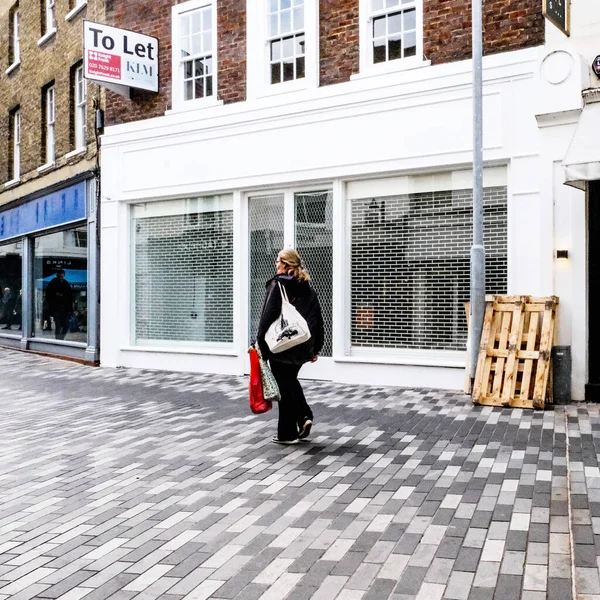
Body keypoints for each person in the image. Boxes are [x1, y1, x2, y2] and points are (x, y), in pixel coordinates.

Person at [256, 249, 324, 445]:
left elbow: (267, 316)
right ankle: (302, 419)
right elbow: (316, 321)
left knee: (285, 387)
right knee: (289, 382)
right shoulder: (308, 289)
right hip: (302, 346)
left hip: (280, 345)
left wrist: (259, 343)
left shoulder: (278, 285)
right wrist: (316, 348)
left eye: (278, 261)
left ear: (286, 264)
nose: (276, 264)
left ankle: (289, 432)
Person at [46, 270, 73, 340]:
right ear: (57, 275)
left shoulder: (66, 283)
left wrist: (70, 308)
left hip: (65, 308)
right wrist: (55, 295)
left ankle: (60, 339)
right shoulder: (53, 283)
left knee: (66, 326)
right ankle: (58, 339)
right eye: (60, 276)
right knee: (58, 326)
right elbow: (48, 294)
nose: (61, 277)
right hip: (56, 308)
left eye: (62, 276)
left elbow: (70, 296)